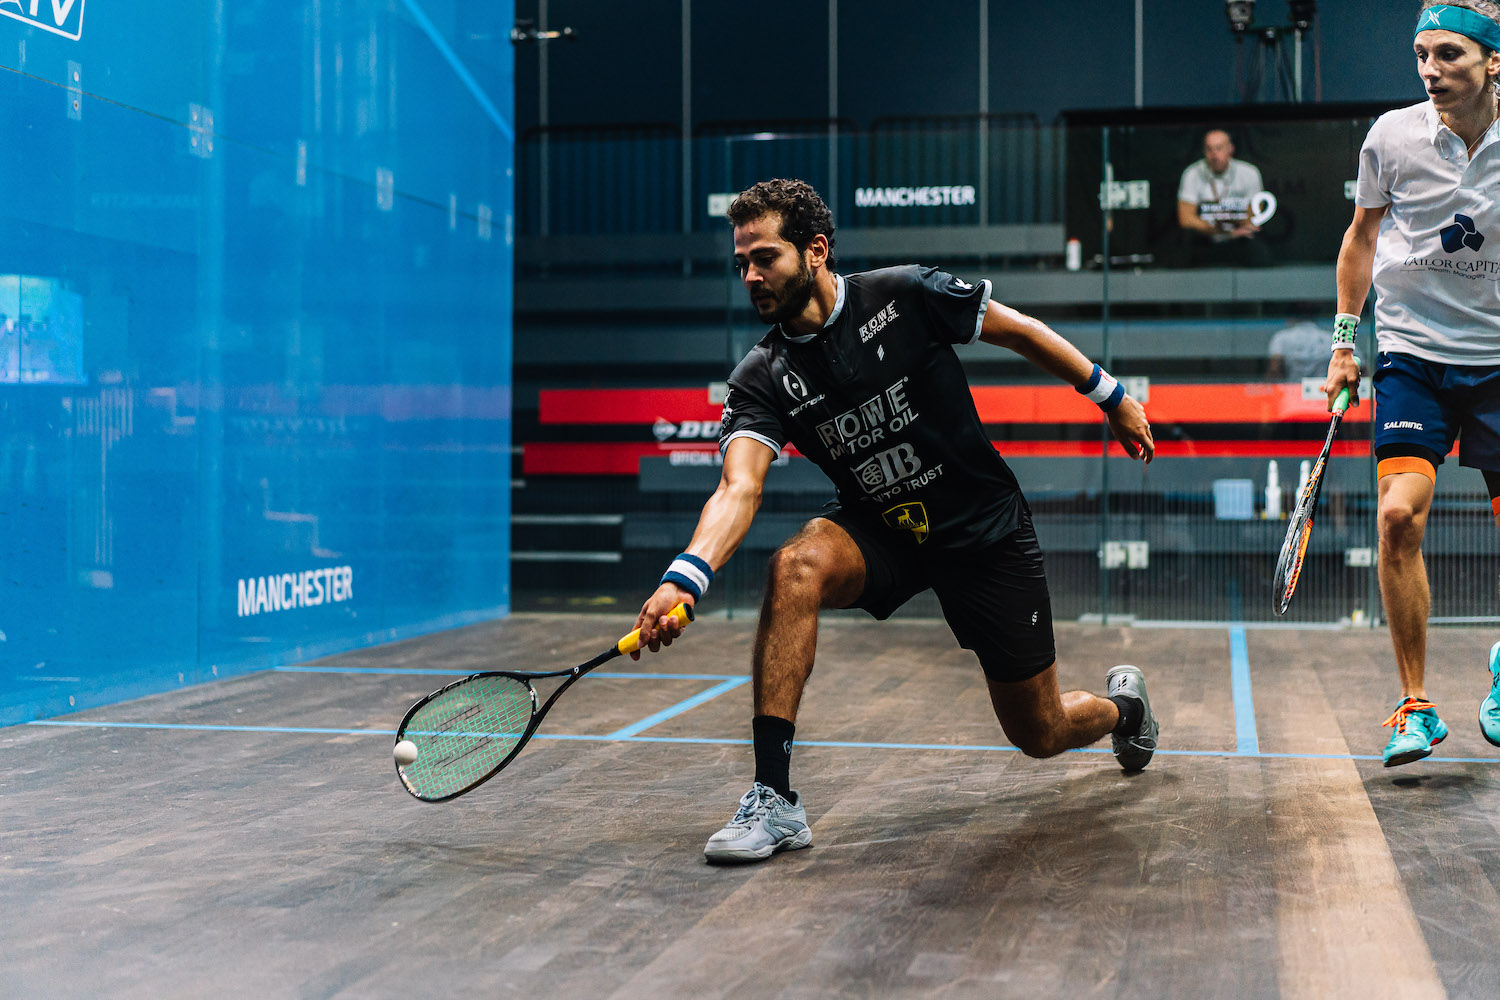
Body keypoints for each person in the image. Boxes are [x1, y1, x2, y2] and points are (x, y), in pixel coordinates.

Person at [630, 178, 1160, 863]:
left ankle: (1126, 710)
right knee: (795, 566)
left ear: (816, 250)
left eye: (765, 258)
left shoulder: (904, 295)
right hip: (885, 528)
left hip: (981, 530)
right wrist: (685, 577)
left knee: (1041, 730)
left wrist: (1111, 396)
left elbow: (1019, 331)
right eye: (742, 263)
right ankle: (774, 798)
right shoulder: (762, 375)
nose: (751, 276)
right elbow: (738, 486)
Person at [1329, 0, 1500, 766]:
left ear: (1493, 61)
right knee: (1398, 517)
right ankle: (1415, 706)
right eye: (1421, 54)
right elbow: (1361, 237)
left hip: (1498, 359)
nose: (1430, 69)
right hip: (1412, 355)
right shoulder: (1392, 137)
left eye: (1449, 54)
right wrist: (1344, 342)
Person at [1176, 129, 1273, 267]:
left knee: (1258, 247)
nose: (1214, 155)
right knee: (1184, 242)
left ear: (1231, 149)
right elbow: (1186, 219)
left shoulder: (1249, 173)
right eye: (1209, 149)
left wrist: (1230, 223)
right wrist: (1216, 228)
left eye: (1219, 148)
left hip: (1240, 235)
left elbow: (1254, 216)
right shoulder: (1191, 174)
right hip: (1205, 236)